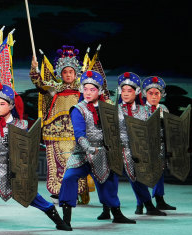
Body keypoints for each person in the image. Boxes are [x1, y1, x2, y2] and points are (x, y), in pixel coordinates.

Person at [0, 85, 71, 232]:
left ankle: (58, 220)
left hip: (15, 171)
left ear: (11, 106)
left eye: (2, 104)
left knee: (32, 196)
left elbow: (27, 150)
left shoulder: (21, 126)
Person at [58, 70, 135, 225]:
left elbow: (121, 131)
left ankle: (116, 213)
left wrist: (125, 150)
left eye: (92, 89)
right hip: (82, 153)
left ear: (99, 91)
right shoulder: (78, 109)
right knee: (69, 178)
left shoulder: (110, 108)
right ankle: (66, 219)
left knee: (109, 181)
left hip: (104, 152)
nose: (87, 92)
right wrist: (88, 148)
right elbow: (79, 134)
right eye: (85, 89)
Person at [30, 45, 88, 203]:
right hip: (55, 132)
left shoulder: (83, 89)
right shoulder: (55, 88)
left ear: (76, 73)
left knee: (74, 162)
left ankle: (74, 191)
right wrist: (34, 69)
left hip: (75, 133)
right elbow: (39, 83)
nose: (68, 74)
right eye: (65, 72)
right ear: (60, 74)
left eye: (71, 72)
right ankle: (58, 192)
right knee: (57, 162)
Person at [112, 72, 167, 218]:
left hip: (139, 149)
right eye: (123, 90)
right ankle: (111, 208)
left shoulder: (144, 110)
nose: (125, 93)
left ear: (136, 92)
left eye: (129, 91)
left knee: (138, 176)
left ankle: (143, 204)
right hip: (120, 149)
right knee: (120, 178)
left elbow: (149, 131)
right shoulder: (114, 110)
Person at [138, 76, 177, 212]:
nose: (154, 96)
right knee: (142, 174)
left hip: (160, 145)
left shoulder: (163, 108)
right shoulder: (140, 109)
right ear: (145, 94)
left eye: (157, 93)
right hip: (144, 145)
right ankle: (140, 203)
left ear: (161, 95)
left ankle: (159, 200)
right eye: (151, 93)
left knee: (159, 172)